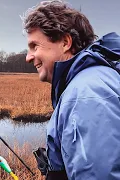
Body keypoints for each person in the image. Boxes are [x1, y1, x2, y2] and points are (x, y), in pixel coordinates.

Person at [22, 0, 120, 179]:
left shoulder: (86, 95)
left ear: (66, 42)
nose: (28, 57)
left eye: (34, 46)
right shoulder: (90, 82)